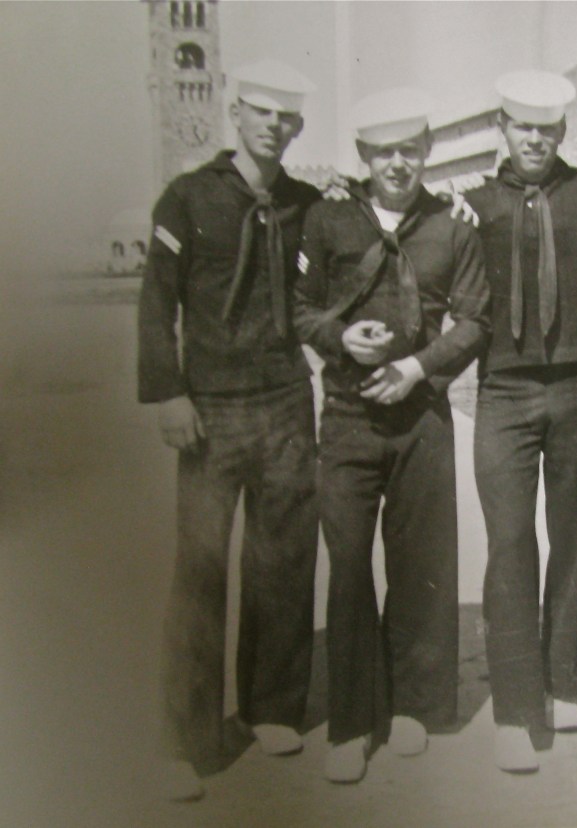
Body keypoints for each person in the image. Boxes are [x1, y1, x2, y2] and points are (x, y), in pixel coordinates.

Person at [294, 87, 490, 784]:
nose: (398, 164)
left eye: (410, 149)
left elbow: (473, 322)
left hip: (422, 419)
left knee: (421, 566)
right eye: (384, 152)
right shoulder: (327, 220)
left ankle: (416, 706)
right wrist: (340, 336)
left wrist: (416, 367)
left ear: (428, 150)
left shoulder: (453, 227)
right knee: (347, 568)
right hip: (346, 417)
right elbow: (300, 307)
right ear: (363, 157)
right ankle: (351, 724)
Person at [138, 59, 321, 801]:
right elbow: (157, 303)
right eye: (260, 113)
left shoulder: (309, 202)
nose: (273, 127)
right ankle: (186, 738)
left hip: (284, 400)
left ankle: (273, 708)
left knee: (283, 559)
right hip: (211, 406)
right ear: (233, 113)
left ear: (298, 126)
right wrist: (168, 395)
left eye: (287, 117)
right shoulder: (186, 199)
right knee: (202, 570)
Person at [464, 71, 577, 773]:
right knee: (510, 544)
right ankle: (516, 710)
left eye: (548, 129)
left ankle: (562, 682)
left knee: (574, 540)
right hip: (504, 392)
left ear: (561, 133)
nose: (535, 140)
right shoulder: (471, 203)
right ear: (502, 128)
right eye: (522, 127)